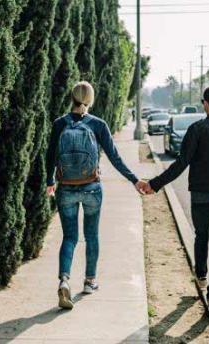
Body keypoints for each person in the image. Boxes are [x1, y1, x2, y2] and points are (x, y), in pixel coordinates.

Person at [142, 85, 209, 313]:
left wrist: (154, 184)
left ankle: (201, 275)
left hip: (201, 195)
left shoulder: (197, 129)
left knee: (201, 236)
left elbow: (181, 164)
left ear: (205, 103)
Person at [46, 81, 147, 309]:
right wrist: (134, 179)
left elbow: (50, 156)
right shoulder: (98, 124)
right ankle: (90, 281)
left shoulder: (60, 124)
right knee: (91, 235)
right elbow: (114, 157)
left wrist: (49, 181)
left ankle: (64, 280)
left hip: (66, 188)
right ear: (90, 100)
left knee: (69, 237)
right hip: (92, 188)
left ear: (72, 98)